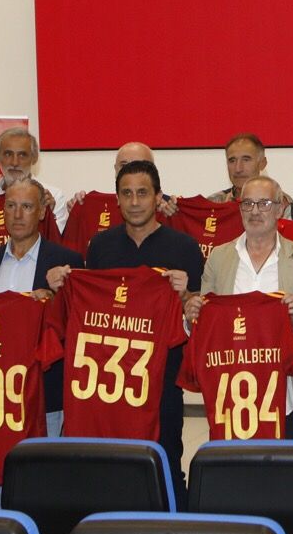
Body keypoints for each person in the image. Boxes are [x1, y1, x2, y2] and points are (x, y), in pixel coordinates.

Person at [73, 159, 205, 501]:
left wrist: (187, 293)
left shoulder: (184, 247)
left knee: (164, 462)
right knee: (111, 465)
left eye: (143, 193)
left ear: (158, 197)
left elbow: (198, 313)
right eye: (126, 194)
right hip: (110, 385)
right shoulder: (100, 247)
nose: (134, 202)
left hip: (163, 380)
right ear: (116, 199)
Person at [198, 175, 293, 435]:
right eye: (248, 203)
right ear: (239, 208)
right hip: (229, 397)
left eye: (264, 203)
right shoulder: (218, 259)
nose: (255, 211)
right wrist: (192, 318)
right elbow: (204, 324)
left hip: (285, 398)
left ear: (280, 208)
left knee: (286, 474)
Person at [0, 179, 81, 436]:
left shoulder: (68, 262)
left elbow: (79, 327)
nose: (18, 214)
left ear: (43, 211)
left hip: (46, 394)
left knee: (44, 472)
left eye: (27, 206)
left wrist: (55, 299)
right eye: (11, 205)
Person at [207, 133, 293, 222]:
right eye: (232, 160)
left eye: (246, 160)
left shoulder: (282, 205)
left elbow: (292, 240)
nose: (238, 168)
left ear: (262, 163)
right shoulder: (213, 205)